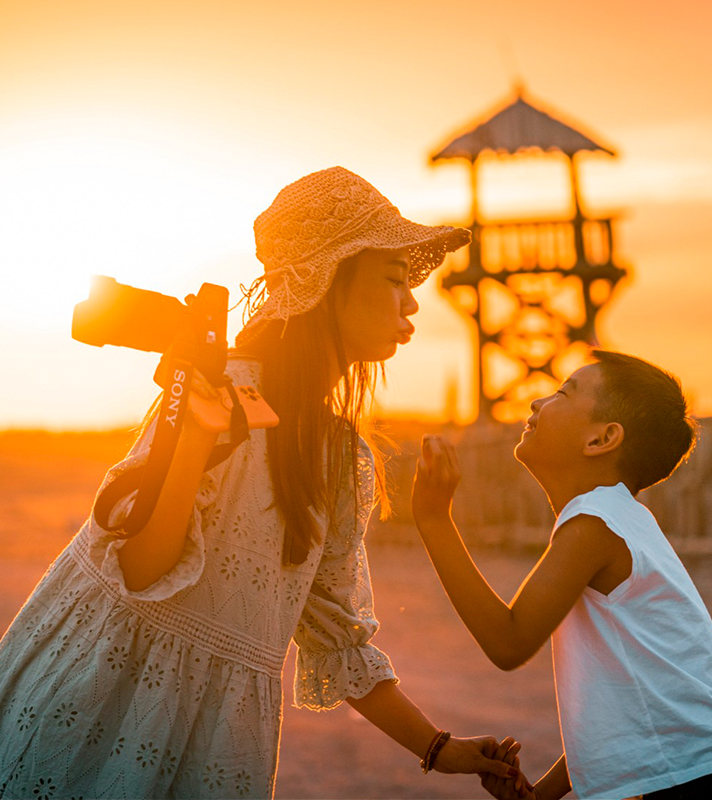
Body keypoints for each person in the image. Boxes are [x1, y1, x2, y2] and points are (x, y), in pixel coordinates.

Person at [0, 167, 524, 799]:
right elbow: (139, 568)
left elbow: (334, 635)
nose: (412, 301)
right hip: (106, 694)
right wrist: (194, 437)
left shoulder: (335, 453)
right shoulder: (219, 383)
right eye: (393, 279)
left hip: (213, 730)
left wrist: (441, 749)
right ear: (326, 282)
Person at [411, 350, 712, 800]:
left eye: (562, 393)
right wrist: (543, 794)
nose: (536, 403)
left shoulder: (594, 523)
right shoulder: (624, 517)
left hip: (699, 783)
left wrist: (434, 521)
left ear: (602, 438)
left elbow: (507, 642)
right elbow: (636, 696)